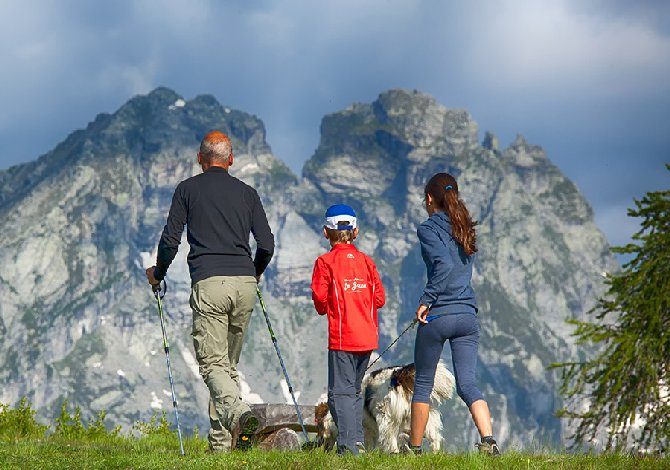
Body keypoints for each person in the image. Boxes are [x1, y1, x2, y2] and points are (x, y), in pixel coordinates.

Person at [145, 131, 274, 452]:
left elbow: (171, 241)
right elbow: (267, 244)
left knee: (212, 364)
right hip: (244, 284)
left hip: (210, 283)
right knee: (226, 366)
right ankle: (221, 448)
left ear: (200, 159)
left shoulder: (187, 189)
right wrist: (254, 274)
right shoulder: (248, 193)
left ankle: (241, 416)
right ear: (231, 160)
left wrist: (157, 273)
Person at [409, 173, 500, 455]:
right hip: (467, 316)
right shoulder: (465, 228)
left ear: (428, 199)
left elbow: (443, 265)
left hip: (439, 315)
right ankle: (489, 442)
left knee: (423, 383)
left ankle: (414, 448)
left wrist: (427, 300)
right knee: (468, 383)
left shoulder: (427, 229)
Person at [311, 204, 386, 455]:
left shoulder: (325, 262)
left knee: (338, 394)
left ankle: (349, 447)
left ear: (326, 232)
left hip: (343, 337)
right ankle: (357, 444)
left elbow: (320, 303)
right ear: (355, 232)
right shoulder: (367, 262)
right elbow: (380, 299)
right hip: (367, 338)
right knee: (353, 391)